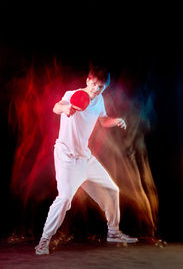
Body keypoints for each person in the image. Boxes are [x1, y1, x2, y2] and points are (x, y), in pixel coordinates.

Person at [35, 65, 138, 255]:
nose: (96, 90)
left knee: (112, 190)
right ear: (88, 80)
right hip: (66, 157)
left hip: (86, 158)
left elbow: (103, 119)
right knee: (65, 198)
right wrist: (66, 108)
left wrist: (114, 121)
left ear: (104, 88)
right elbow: (56, 106)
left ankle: (113, 232)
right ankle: (43, 241)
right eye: (94, 85)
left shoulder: (99, 100)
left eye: (101, 88)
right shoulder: (71, 94)